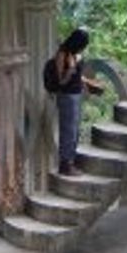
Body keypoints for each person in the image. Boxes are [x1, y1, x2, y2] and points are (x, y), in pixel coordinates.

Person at [46, 28, 92, 176]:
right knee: (68, 131)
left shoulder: (75, 54)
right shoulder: (63, 54)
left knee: (76, 130)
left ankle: (71, 160)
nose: (83, 48)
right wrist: (70, 71)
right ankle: (65, 164)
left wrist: (87, 83)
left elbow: (78, 76)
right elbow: (61, 81)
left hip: (76, 94)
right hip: (66, 96)